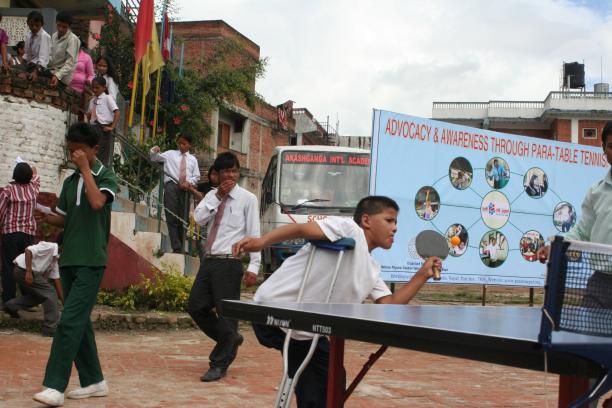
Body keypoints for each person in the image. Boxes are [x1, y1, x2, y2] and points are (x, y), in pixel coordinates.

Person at [231, 195, 441, 408]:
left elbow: (390, 305)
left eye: (396, 222)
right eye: (389, 220)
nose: (394, 228)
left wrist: (422, 275)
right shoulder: (349, 229)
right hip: (275, 310)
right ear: (366, 220)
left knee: (332, 379)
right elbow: (302, 230)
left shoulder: (372, 269)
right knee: (326, 383)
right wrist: (260, 242)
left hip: (307, 328)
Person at [32, 122, 117, 407]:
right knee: (79, 323)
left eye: (80, 150)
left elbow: (96, 203)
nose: (75, 155)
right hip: (68, 259)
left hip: (91, 260)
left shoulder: (106, 176)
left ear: (95, 149)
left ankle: (55, 386)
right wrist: (45, 215)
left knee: (68, 322)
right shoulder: (69, 182)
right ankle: (94, 381)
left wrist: (85, 169)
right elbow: (66, 218)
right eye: (71, 151)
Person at [189, 151, 260, 382]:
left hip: (230, 264)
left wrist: (254, 266)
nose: (230, 175)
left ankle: (219, 364)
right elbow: (198, 219)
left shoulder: (248, 198)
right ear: (217, 175)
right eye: (226, 171)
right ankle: (230, 338)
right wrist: (217, 195)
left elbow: (254, 233)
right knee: (196, 306)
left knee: (226, 314)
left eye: (234, 170)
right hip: (209, 260)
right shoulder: (211, 195)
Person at [538, 121, 612, 308]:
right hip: (601, 283)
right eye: (611, 146)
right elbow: (582, 231)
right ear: (603, 149)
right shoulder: (596, 192)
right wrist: (555, 248)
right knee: (590, 334)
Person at [3, 235, 64, 337]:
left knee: (41, 296)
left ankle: (10, 305)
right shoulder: (50, 246)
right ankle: (50, 328)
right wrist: (28, 272)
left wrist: (65, 303)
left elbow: (57, 282)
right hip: (23, 271)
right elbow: (28, 250)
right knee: (50, 292)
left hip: (23, 272)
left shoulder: (54, 260)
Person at [149, 134, 200, 253]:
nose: (181, 145)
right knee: (171, 215)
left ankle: (181, 246)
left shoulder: (193, 159)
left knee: (183, 217)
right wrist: (154, 150)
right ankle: (176, 246)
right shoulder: (170, 154)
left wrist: (189, 182)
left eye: (184, 143)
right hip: (171, 185)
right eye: (180, 143)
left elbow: (197, 176)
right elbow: (154, 158)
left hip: (185, 189)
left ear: (190, 145)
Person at [0, 161, 40, 304]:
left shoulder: (8, 190)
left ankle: (9, 301)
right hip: (28, 233)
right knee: (25, 266)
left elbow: (1, 211)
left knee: (9, 266)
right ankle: (26, 300)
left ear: (14, 175)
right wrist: (27, 166)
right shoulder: (34, 188)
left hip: (10, 232)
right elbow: (35, 173)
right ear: (29, 176)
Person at [86, 76, 119, 167]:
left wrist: (112, 127)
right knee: (91, 150)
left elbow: (117, 112)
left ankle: (101, 172)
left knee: (102, 154)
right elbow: (90, 116)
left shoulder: (107, 98)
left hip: (103, 129)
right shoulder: (92, 101)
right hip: (93, 127)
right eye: (93, 87)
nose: (94, 90)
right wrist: (89, 118)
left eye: (97, 87)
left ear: (104, 88)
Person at [46, 11, 79, 88]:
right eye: (58, 25)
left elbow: (70, 63)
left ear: (69, 26)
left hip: (62, 78)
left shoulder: (73, 39)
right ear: (56, 23)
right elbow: (50, 55)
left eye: (64, 27)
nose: (60, 29)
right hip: (51, 70)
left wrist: (57, 76)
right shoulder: (54, 36)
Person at [21, 11, 51, 79]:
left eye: (37, 25)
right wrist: (21, 65)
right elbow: (27, 54)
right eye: (31, 25)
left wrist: (35, 72)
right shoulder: (29, 35)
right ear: (27, 23)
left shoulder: (44, 36)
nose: (34, 27)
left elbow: (43, 59)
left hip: (39, 67)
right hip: (29, 64)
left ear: (42, 24)